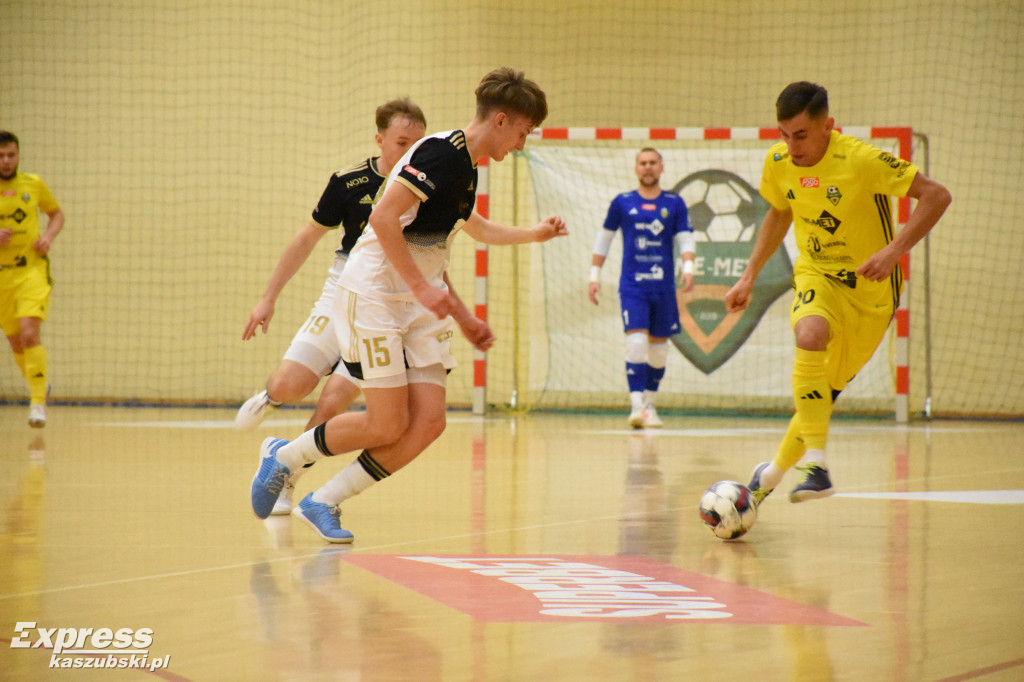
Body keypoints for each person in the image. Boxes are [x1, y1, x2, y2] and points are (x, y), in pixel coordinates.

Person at [251, 66, 568, 542]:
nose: (521, 144)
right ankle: (285, 456)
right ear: (501, 120)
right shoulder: (442, 153)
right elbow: (382, 218)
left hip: (413, 304)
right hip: (375, 294)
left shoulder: (468, 167)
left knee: (429, 423)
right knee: (387, 422)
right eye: (523, 132)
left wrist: (533, 235)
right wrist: (423, 289)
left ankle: (324, 500)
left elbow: (474, 228)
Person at [725, 81, 951, 505]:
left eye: (801, 135)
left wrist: (893, 252)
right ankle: (818, 465)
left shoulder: (861, 159)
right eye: (784, 135)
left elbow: (937, 196)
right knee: (809, 335)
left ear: (828, 126)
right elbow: (780, 212)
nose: (791, 147)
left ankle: (768, 477)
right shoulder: (778, 161)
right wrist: (749, 274)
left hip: (871, 291)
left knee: (823, 391)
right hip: (815, 273)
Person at [236, 100, 427, 513]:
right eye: (401, 142)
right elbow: (306, 239)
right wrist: (268, 298)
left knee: (334, 400)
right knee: (291, 384)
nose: (410, 151)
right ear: (379, 140)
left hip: (383, 310)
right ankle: (271, 398)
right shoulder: (349, 182)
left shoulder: (427, 189)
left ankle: (288, 473)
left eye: (418, 144)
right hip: (342, 293)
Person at [588, 148, 695, 429]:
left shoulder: (675, 203)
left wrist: (689, 268)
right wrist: (594, 275)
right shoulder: (622, 203)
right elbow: (604, 240)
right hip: (633, 287)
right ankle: (636, 407)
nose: (647, 167)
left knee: (659, 352)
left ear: (661, 167)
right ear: (636, 168)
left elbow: (685, 238)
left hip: (663, 289)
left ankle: (649, 405)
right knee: (636, 343)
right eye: (642, 163)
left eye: (652, 163)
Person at [0, 131, 65, 428]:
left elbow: (56, 214)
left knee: (29, 333)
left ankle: (37, 403)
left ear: (18, 155)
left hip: (31, 271)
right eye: (1, 156)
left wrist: (48, 238)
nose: (5, 161)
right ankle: (41, 386)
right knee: (15, 341)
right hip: (3, 277)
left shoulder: (33, 184)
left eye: (10, 154)